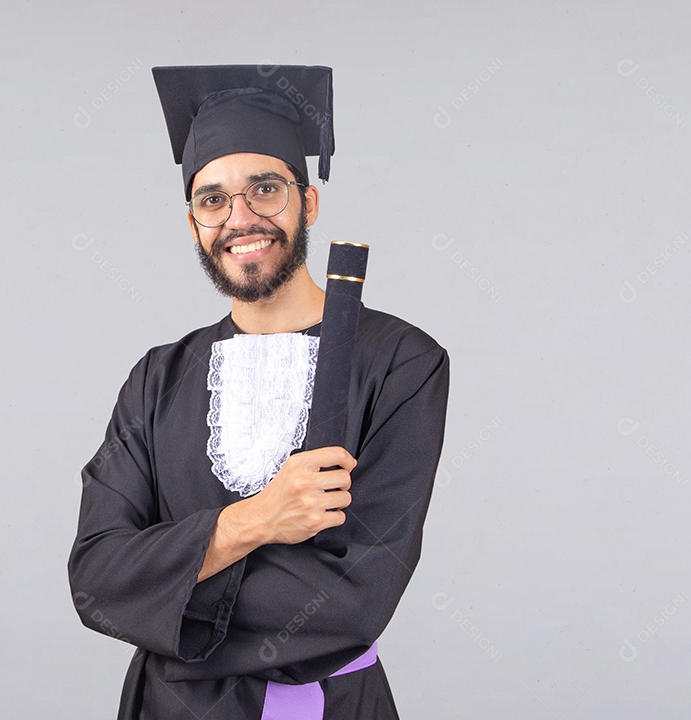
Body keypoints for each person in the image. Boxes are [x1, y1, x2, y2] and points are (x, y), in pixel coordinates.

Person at [68, 64, 450, 720]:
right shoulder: (157, 378)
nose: (239, 218)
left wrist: (168, 590)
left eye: (264, 189)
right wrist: (257, 520)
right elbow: (98, 582)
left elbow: (356, 599)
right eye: (213, 199)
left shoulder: (399, 363)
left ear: (309, 202)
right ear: (194, 226)